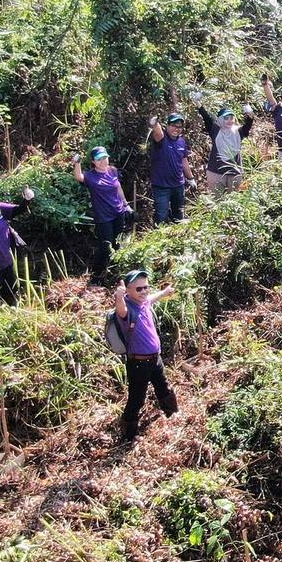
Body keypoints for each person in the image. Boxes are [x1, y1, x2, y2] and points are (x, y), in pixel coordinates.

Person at [113, 270, 179, 442]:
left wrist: (164, 293)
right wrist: (118, 297)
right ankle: (128, 434)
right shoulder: (127, 310)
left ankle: (173, 415)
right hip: (138, 364)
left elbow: (151, 299)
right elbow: (121, 310)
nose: (143, 292)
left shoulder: (143, 303)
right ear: (128, 290)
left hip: (154, 359)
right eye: (138, 289)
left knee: (164, 388)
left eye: (146, 287)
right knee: (137, 398)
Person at [73, 148, 132, 279]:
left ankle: (115, 271)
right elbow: (78, 177)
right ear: (93, 161)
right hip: (103, 217)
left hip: (119, 212)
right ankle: (96, 273)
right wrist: (77, 163)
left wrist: (127, 206)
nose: (103, 161)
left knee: (117, 244)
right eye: (99, 159)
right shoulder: (90, 175)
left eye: (105, 158)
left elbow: (118, 188)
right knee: (105, 245)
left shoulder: (113, 171)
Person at [195, 101, 254, 195]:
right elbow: (206, 118)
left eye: (231, 118)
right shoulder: (215, 130)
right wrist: (199, 105)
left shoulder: (238, 131)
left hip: (235, 172)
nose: (230, 120)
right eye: (226, 118)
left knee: (232, 202)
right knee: (217, 202)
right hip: (216, 172)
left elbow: (248, 125)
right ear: (220, 119)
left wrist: (250, 114)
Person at [149, 112, 194, 224]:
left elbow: (184, 161)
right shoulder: (162, 138)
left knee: (179, 216)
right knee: (161, 217)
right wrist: (155, 124)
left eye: (179, 126)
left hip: (178, 186)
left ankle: (177, 238)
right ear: (168, 126)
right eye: (174, 125)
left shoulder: (181, 141)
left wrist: (190, 178)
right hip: (161, 187)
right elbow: (158, 133)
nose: (177, 129)